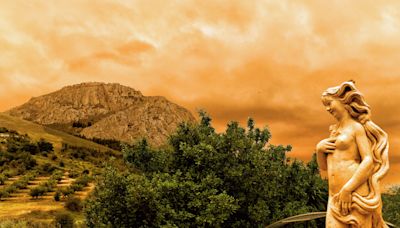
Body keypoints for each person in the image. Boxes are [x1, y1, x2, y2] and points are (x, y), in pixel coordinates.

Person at [316, 81, 389, 228]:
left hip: (355, 193)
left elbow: (368, 160)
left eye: (329, 103)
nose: (328, 108)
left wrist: (348, 189)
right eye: (325, 106)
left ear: (343, 101)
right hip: (335, 197)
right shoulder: (334, 130)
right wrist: (319, 150)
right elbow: (324, 167)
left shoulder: (356, 128)